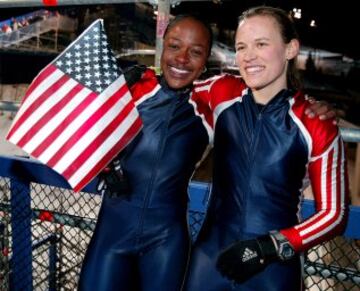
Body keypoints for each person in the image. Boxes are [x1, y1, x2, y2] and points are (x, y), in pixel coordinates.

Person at [78, 14, 336, 291]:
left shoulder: (210, 105)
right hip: (123, 236)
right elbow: (76, 128)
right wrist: (105, 162)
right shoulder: (145, 90)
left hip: (168, 243)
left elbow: (265, 98)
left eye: (196, 52)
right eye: (175, 46)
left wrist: (308, 104)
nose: (182, 58)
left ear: (205, 62)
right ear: (162, 45)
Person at [185, 6, 348, 291]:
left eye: (261, 44)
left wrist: (270, 246)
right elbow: (170, 88)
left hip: (272, 271)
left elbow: (334, 215)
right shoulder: (221, 91)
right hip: (208, 262)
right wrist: (138, 78)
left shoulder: (315, 122)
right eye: (241, 47)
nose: (248, 56)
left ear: (290, 49)